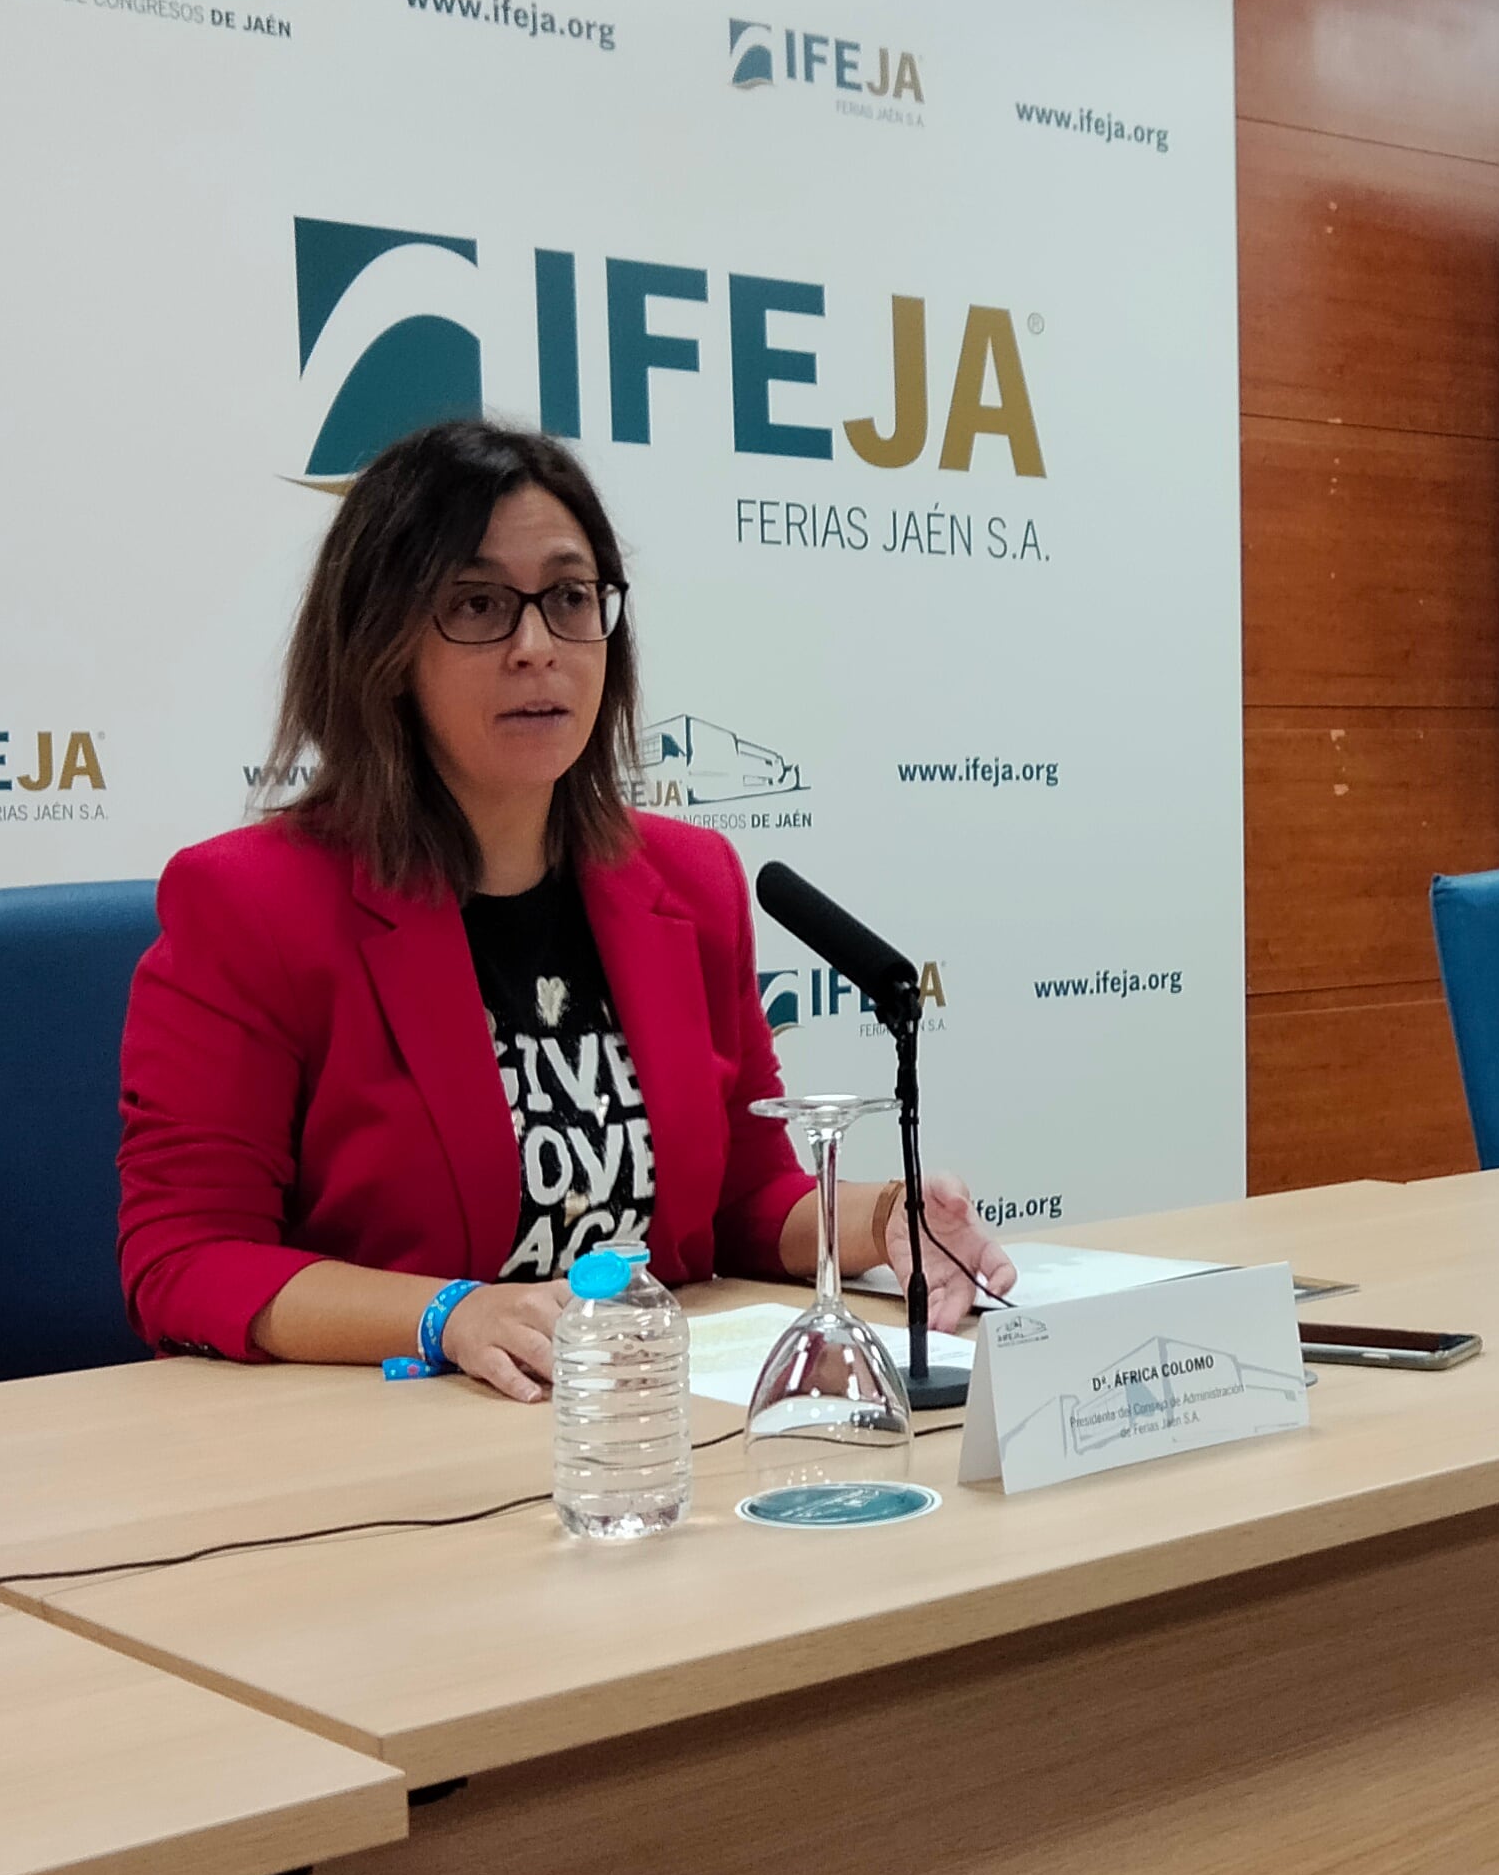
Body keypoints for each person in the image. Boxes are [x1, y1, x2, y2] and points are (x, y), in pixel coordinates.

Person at [118, 418, 1012, 1399]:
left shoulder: (686, 879)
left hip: (644, 1431)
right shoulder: (252, 904)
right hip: (391, 1442)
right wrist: (447, 1313)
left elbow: (737, 1200)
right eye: (477, 604)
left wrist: (880, 1219)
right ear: (379, 641)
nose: (535, 646)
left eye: (570, 598)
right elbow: (185, 1260)